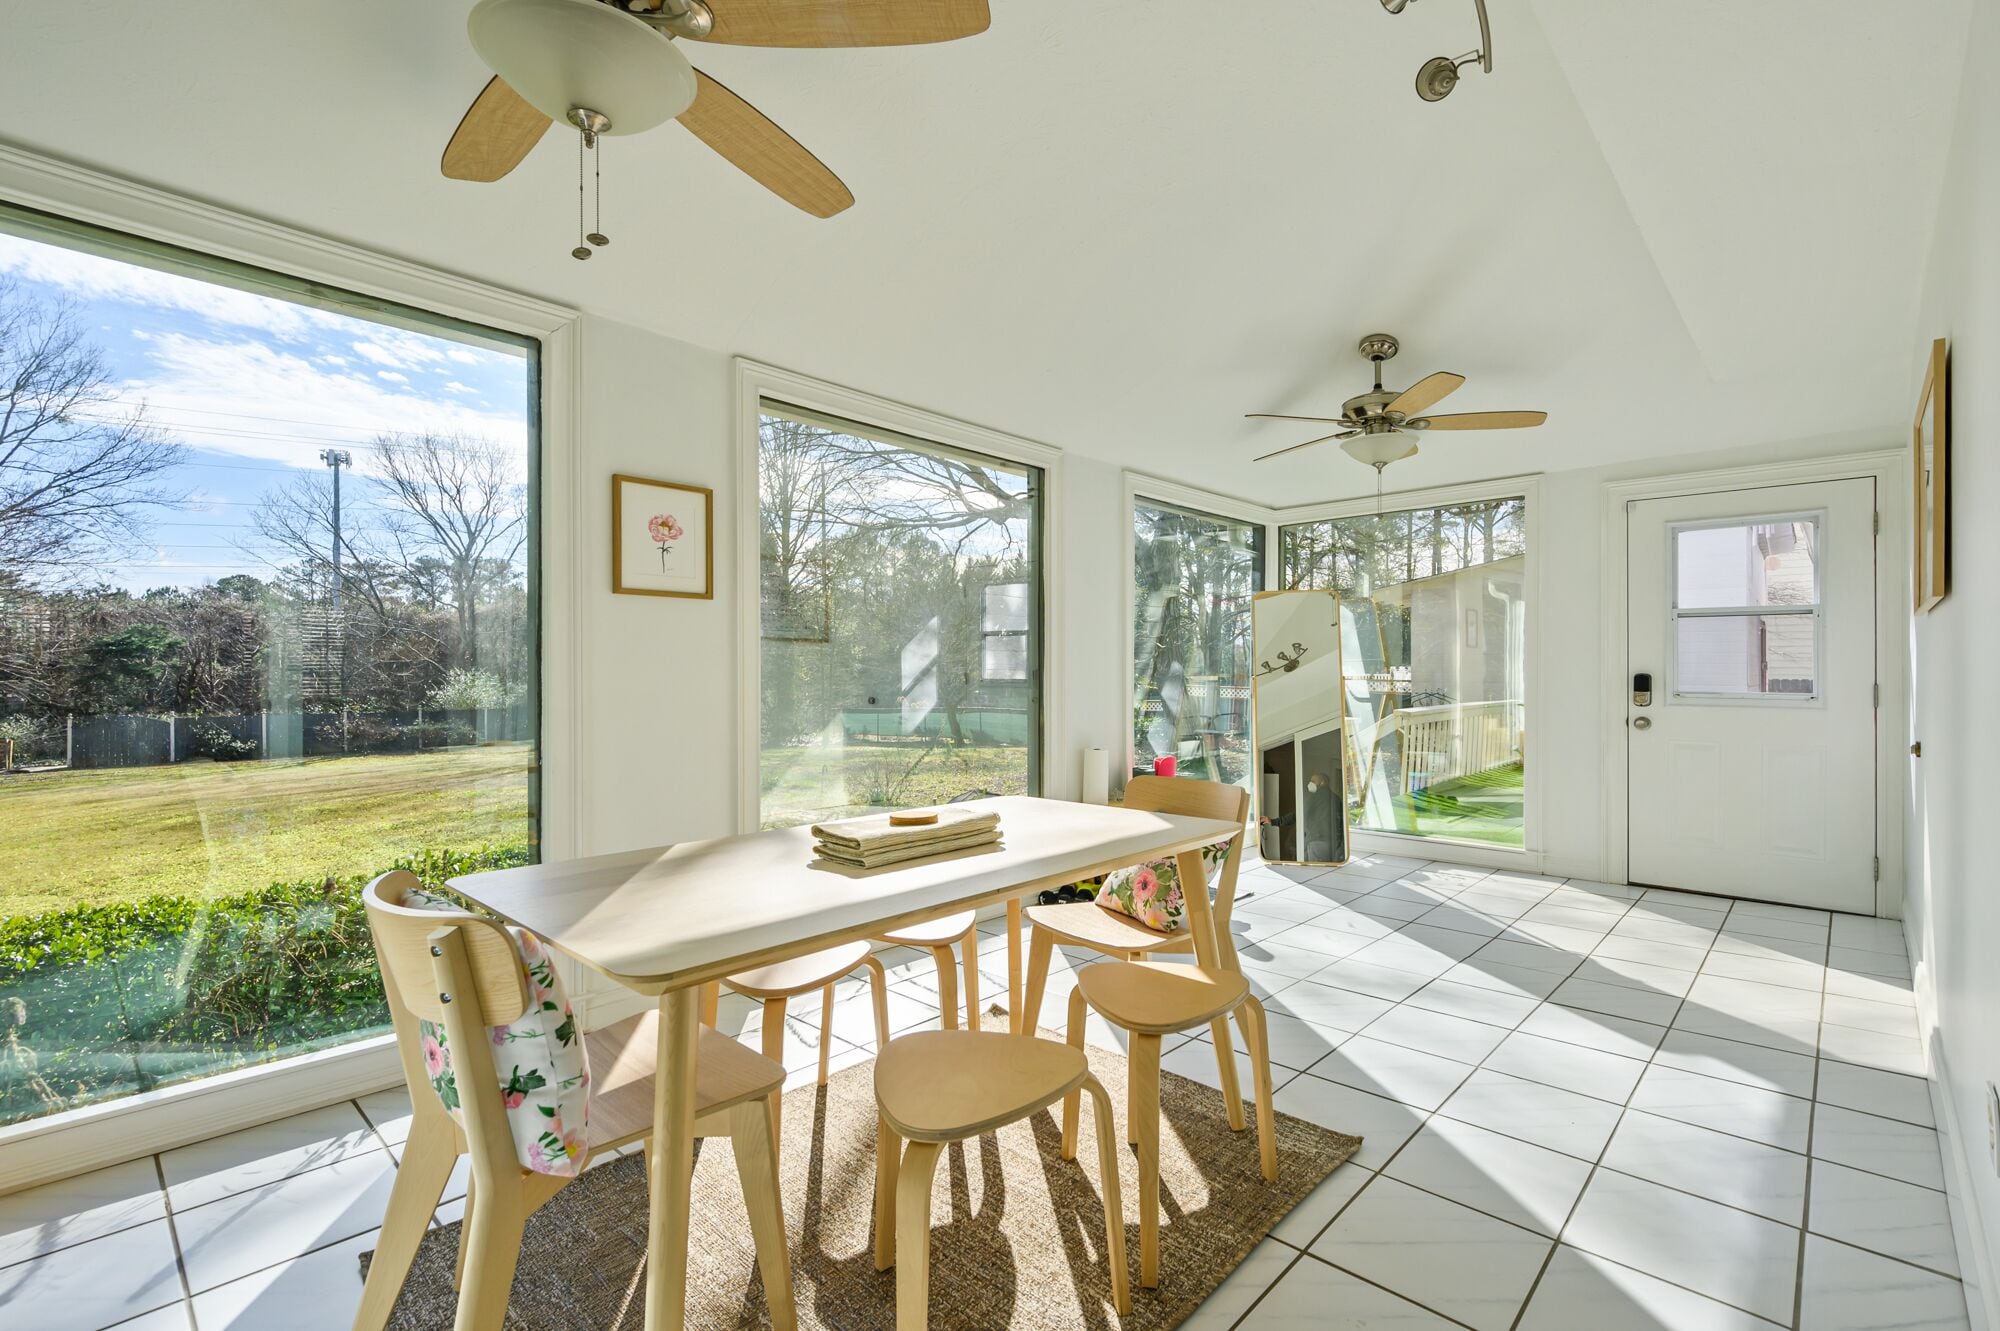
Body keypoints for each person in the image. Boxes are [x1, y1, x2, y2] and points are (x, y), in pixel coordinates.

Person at [1257, 772, 1338, 861]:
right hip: (1332, 843)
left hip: (1316, 842)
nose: (1310, 783)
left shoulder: (1315, 797)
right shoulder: (1335, 798)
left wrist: (1274, 821)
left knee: (1313, 867)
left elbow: (1297, 814)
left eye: (1313, 781)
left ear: (1322, 783)